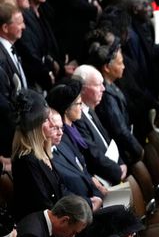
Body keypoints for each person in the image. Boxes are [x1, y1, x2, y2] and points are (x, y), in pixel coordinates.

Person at [46, 82, 104, 211]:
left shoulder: (67, 135)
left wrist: (97, 195)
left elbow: (83, 168)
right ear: (66, 109)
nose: (82, 108)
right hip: (80, 209)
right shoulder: (59, 141)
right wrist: (90, 202)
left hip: (92, 196)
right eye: (78, 104)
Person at [71, 65, 127, 188]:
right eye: (97, 85)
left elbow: (108, 141)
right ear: (82, 89)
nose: (103, 89)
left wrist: (121, 162)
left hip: (112, 170)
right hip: (103, 179)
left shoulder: (90, 110)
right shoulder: (77, 118)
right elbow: (93, 154)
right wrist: (117, 170)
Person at [10, 89, 62, 221]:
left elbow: (60, 189)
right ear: (35, 127)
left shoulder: (43, 150)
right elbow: (42, 205)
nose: (52, 124)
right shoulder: (26, 160)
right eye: (46, 120)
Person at [0, 0, 27, 161]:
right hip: (9, 135)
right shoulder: (0, 58)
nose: (24, 26)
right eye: (19, 23)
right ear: (5, 28)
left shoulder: (10, 47)